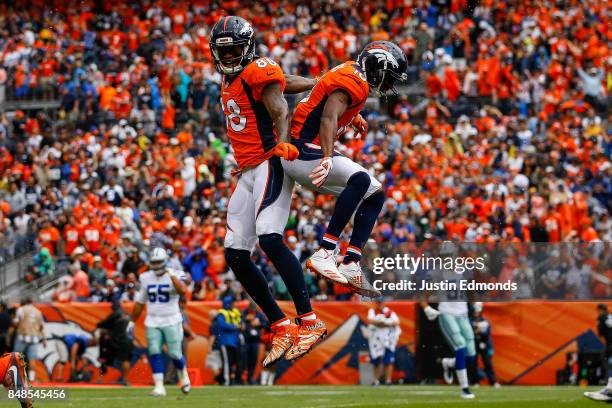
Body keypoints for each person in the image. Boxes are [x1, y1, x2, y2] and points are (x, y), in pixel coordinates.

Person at [210, 15, 326, 368]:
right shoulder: (238, 77)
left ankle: (309, 321)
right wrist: (318, 83)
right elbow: (284, 82)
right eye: (223, 52)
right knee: (235, 253)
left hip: (268, 162)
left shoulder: (258, 70)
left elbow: (279, 106)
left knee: (270, 239)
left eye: (234, 51)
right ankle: (282, 325)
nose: (229, 58)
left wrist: (283, 143)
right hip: (247, 170)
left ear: (247, 48)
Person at [282, 41, 408, 298]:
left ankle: (351, 262)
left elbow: (331, 103)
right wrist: (328, 157)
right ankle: (326, 252)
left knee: (375, 193)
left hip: (305, 148)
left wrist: (351, 115)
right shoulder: (355, 82)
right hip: (302, 151)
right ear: (378, 67)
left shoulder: (353, 72)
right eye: (389, 77)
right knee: (360, 181)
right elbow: (329, 116)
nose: (388, 85)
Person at [129, 247, 191, 396]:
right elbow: (139, 302)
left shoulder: (176, 274)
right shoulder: (145, 277)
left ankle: (184, 375)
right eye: (154, 262)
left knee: (175, 354)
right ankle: (159, 386)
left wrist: (171, 275)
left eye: (159, 262)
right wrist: (132, 321)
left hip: (171, 319)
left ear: (165, 262)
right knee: (154, 351)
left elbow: (182, 291)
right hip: (152, 320)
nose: (156, 265)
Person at [96, 302, 132, 385]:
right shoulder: (128, 315)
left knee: (104, 358)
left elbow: (101, 324)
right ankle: (125, 380)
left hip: (115, 340)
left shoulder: (115, 314)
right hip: (128, 340)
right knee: (126, 360)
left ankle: (100, 378)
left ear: (113, 309)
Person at [367, 299, 401, 386]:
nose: (379, 304)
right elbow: (370, 321)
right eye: (378, 302)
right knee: (376, 360)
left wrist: (383, 323)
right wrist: (384, 322)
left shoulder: (389, 312)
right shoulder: (372, 311)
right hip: (376, 339)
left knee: (388, 361)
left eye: (381, 302)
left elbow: (397, 322)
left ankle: (388, 380)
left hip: (388, 339)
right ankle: (376, 380)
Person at [13, 297, 46, 383]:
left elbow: (16, 322)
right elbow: (42, 327)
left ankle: (15, 378)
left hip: (22, 336)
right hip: (34, 338)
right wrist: (44, 339)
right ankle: (31, 379)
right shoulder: (38, 312)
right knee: (32, 359)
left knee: (16, 358)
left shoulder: (21, 309)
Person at [471, 302, 500, 387]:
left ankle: (493, 381)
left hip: (483, 344)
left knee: (488, 363)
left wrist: (490, 347)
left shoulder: (485, 321)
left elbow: (487, 334)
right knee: (473, 363)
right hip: (474, 343)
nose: (476, 313)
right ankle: (475, 381)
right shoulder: (470, 320)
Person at [216, 296, 241, 385]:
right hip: (225, 341)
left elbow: (240, 322)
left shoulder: (235, 312)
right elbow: (221, 324)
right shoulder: (221, 313)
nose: (234, 304)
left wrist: (241, 325)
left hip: (234, 341)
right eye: (232, 303)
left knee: (235, 361)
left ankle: (227, 379)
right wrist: (235, 326)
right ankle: (226, 381)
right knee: (227, 362)